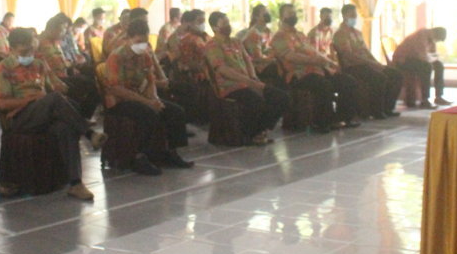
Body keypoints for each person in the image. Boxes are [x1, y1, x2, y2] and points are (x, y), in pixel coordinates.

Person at [0, 29, 107, 200]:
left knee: (65, 127)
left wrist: (61, 86)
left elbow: (55, 86)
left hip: (44, 111)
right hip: (20, 117)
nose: (29, 54)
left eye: (31, 50)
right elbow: (2, 104)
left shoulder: (39, 64)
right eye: (24, 51)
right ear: (12, 49)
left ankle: (76, 184)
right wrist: (32, 99)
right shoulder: (2, 69)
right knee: (53, 99)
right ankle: (89, 134)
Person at [105, 19, 192, 175]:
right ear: (128, 38)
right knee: (148, 114)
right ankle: (139, 157)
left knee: (176, 111)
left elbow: (150, 80)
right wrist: (148, 102)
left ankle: (170, 152)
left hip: (142, 97)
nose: (142, 45)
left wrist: (155, 99)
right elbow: (116, 89)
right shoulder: (116, 57)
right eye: (138, 41)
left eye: (144, 41)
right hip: (121, 101)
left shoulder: (144, 56)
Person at [270, 4, 361, 131]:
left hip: (317, 69)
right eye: (290, 13)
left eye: (294, 13)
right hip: (298, 74)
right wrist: (314, 61)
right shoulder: (279, 37)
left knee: (347, 81)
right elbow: (290, 56)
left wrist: (329, 62)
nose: (293, 16)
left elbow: (315, 51)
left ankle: (343, 117)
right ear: (281, 17)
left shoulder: (300, 35)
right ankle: (322, 123)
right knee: (324, 85)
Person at [205, 12, 288, 144]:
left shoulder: (236, 42)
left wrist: (253, 77)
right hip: (230, 86)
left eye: (228, 22)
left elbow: (247, 60)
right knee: (257, 101)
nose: (228, 25)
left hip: (249, 82)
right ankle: (253, 134)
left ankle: (261, 129)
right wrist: (247, 81)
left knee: (281, 97)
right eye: (224, 23)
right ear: (215, 27)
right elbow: (222, 69)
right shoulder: (213, 45)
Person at [333, 4, 403, 119]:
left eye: (355, 15)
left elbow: (366, 51)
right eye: (351, 15)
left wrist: (377, 63)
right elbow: (349, 55)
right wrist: (370, 63)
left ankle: (387, 107)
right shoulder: (341, 34)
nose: (354, 18)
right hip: (353, 66)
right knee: (380, 78)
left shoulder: (357, 33)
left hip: (367, 64)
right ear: (344, 16)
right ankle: (376, 110)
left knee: (395, 75)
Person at [37, 15, 101, 118]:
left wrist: (72, 66)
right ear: (52, 29)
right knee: (89, 86)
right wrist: (70, 66)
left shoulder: (55, 42)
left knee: (93, 82)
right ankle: (81, 117)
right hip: (52, 80)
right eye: (62, 29)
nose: (65, 32)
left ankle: (82, 117)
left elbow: (61, 61)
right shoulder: (39, 43)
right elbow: (46, 67)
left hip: (64, 74)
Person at [391, 27, 450, 108]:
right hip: (402, 60)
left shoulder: (431, 39)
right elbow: (422, 55)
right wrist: (432, 57)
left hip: (415, 59)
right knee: (427, 67)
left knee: (439, 65)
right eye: (438, 39)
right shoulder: (421, 35)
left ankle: (439, 97)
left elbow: (433, 54)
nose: (437, 41)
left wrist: (433, 57)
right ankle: (425, 100)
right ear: (435, 34)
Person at [242, 4, 283, 88]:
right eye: (264, 13)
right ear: (256, 17)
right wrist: (272, 58)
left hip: (267, 62)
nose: (268, 14)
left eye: (267, 12)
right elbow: (257, 57)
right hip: (258, 67)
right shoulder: (253, 34)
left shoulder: (267, 31)